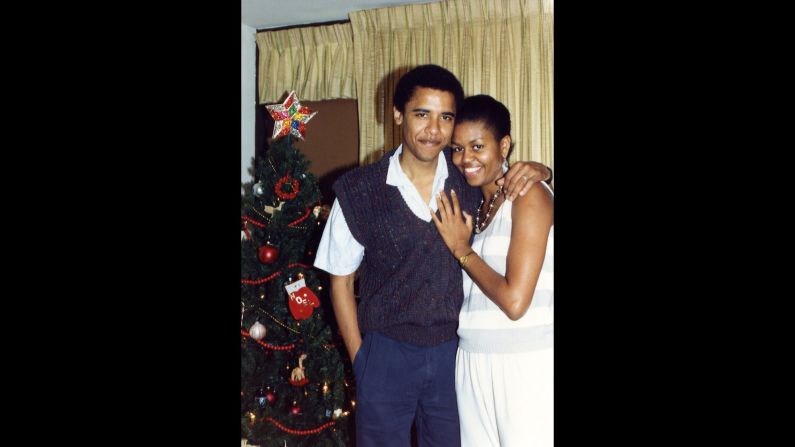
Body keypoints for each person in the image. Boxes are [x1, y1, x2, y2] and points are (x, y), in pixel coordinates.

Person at [313, 65, 551, 447]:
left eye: (446, 117)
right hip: (386, 352)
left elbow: (515, 185)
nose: (434, 130)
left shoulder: (469, 180)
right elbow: (339, 280)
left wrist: (541, 170)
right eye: (421, 114)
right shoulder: (360, 190)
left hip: (452, 356)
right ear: (397, 115)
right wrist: (363, 360)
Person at [430, 94, 554, 447]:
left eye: (477, 146)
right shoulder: (477, 205)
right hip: (472, 360)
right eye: (456, 149)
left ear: (504, 145)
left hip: (524, 363)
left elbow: (515, 302)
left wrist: (461, 249)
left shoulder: (529, 195)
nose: (465, 159)